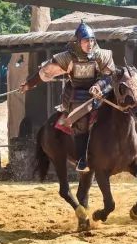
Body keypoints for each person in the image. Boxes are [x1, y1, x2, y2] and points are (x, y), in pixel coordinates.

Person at [19, 20, 114, 172]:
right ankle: (82, 159)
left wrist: (99, 85)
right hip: (78, 95)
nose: (89, 44)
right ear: (78, 42)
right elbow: (45, 72)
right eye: (85, 41)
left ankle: (129, 149)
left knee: (123, 106)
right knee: (81, 120)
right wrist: (29, 84)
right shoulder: (68, 57)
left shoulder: (102, 55)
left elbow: (110, 76)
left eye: (91, 40)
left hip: (101, 92)